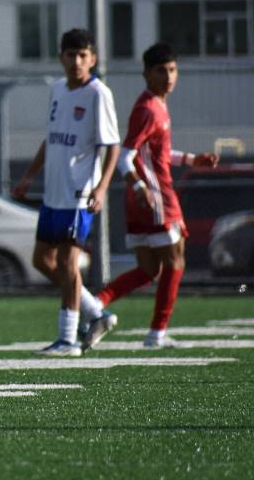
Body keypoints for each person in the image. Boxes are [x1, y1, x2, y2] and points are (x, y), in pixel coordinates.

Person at [83, 42, 219, 350]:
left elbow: (157, 153)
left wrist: (192, 159)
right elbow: (125, 157)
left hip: (143, 199)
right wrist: (139, 187)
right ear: (146, 74)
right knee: (176, 260)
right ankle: (157, 333)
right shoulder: (148, 108)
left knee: (148, 270)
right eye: (161, 71)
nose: (168, 76)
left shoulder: (155, 104)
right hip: (156, 198)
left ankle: (95, 305)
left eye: (172, 70)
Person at [12, 29, 121, 357]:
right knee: (42, 260)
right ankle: (96, 312)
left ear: (93, 59)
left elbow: (112, 145)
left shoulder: (98, 93)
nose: (77, 61)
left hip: (79, 193)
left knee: (67, 262)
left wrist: (101, 187)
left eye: (83, 55)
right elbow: (52, 137)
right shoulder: (58, 89)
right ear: (61, 57)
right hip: (54, 192)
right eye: (71, 54)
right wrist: (29, 175)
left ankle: (67, 340)